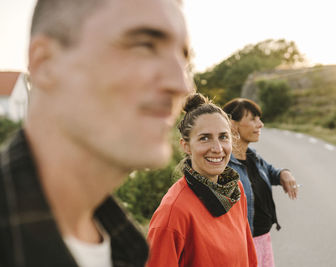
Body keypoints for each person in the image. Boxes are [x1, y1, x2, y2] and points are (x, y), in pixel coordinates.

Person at [0, 0, 191, 266]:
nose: (181, 84)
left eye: (184, 59)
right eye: (145, 45)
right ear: (45, 63)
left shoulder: (124, 245)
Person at [146, 93, 257, 267]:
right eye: (204, 138)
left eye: (223, 137)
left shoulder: (235, 190)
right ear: (186, 146)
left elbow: (249, 259)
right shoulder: (173, 212)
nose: (217, 148)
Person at [223, 98, 298, 267]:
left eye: (259, 119)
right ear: (232, 124)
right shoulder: (223, 166)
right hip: (243, 247)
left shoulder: (252, 156)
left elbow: (271, 172)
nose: (261, 124)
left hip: (263, 240)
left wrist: (283, 173)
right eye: (253, 119)